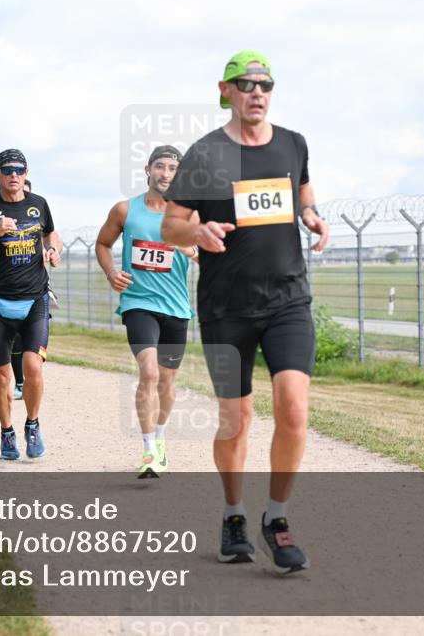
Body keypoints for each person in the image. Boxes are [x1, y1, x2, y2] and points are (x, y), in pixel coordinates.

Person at [161, 51, 330, 574]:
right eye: (246, 84)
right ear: (226, 90)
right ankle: (233, 515)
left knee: (294, 409)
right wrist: (199, 231)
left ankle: (276, 520)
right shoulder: (205, 153)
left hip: (287, 301)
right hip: (225, 308)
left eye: (265, 84)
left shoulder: (293, 143)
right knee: (236, 421)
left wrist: (313, 218)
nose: (257, 92)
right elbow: (171, 225)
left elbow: (302, 194)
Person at [96, 144, 197, 479]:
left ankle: (161, 436)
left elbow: (213, 254)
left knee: (167, 380)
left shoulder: (189, 214)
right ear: (148, 170)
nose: (166, 174)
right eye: (160, 167)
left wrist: (193, 252)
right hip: (138, 304)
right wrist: (111, 273)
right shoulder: (125, 210)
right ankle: (148, 450)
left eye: (172, 168)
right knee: (149, 373)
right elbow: (102, 244)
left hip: (176, 307)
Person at [0, 149, 61, 460]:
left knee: (33, 367)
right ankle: (7, 431)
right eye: (7, 170)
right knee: (1, 377)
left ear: (26, 172)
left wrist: (53, 250)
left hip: (35, 299)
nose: (13, 175)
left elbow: (51, 234)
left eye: (19, 169)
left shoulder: (39, 205)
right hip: (0, 303)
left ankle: (32, 425)